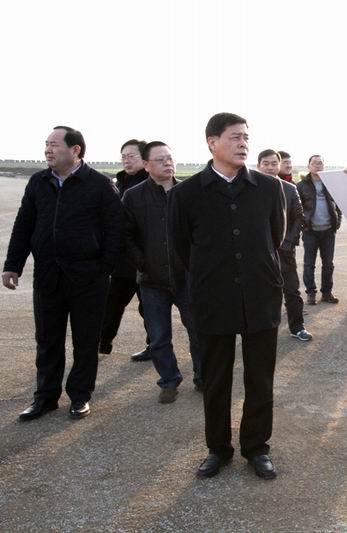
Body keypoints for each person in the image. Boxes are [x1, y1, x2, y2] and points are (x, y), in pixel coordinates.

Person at [169, 113, 285, 480]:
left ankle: (256, 447)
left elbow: (275, 237)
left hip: (260, 296)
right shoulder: (186, 194)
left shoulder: (269, 188)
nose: (243, 143)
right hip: (212, 299)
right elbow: (181, 249)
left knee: (260, 379)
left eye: (246, 137)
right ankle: (217, 449)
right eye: (235, 137)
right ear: (212, 142)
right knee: (216, 380)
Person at [3, 126, 123, 421]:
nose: (48, 149)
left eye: (54, 144)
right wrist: (12, 264)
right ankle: (45, 398)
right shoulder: (39, 181)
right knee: (47, 341)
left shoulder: (99, 184)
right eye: (46, 144)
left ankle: (80, 397)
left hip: (88, 279)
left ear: (75, 150)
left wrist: (103, 269)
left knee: (85, 342)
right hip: (48, 277)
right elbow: (24, 224)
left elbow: (115, 231)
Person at [122, 141, 202, 403]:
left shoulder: (188, 193)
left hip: (186, 278)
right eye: (160, 159)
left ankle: (203, 377)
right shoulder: (133, 196)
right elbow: (125, 235)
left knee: (198, 331)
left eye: (170, 158)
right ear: (146, 165)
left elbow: (202, 232)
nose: (168, 163)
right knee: (158, 337)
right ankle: (169, 381)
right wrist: (141, 261)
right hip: (152, 280)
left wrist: (195, 263)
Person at [99, 139, 150, 361]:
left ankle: (154, 345)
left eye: (131, 156)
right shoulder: (118, 182)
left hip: (144, 259)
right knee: (111, 305)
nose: (126, 161)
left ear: (144, 158)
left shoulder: (151, 184)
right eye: (123, 157)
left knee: (148, 308)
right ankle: (101, 344)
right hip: (120, 260)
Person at [257, 149, 312, 342]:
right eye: (266, 163)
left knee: (292, 291)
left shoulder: (289, 188)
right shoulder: (250, 188)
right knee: (261, 292)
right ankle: (261, 328)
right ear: (258, 166)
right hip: (258, 252)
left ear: (279, 166)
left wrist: (287, 243)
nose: (270, 167)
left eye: (274, 164)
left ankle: (297, 327)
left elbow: (299, 218)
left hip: (284, 251)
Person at [296, 155, 341, 305]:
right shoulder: (301, 185)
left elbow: (339, 205)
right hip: (310, 231)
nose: (317, 165)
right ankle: (311, 293)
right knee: (309, 264)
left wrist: (337, 223)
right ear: (308, 166)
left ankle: (327, 293)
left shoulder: (331, 184)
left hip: (328, 231)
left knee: (328, 264)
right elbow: (297, 208)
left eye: (320, 163)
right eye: (314, 163)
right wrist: (304, 225)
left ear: (324, 166)